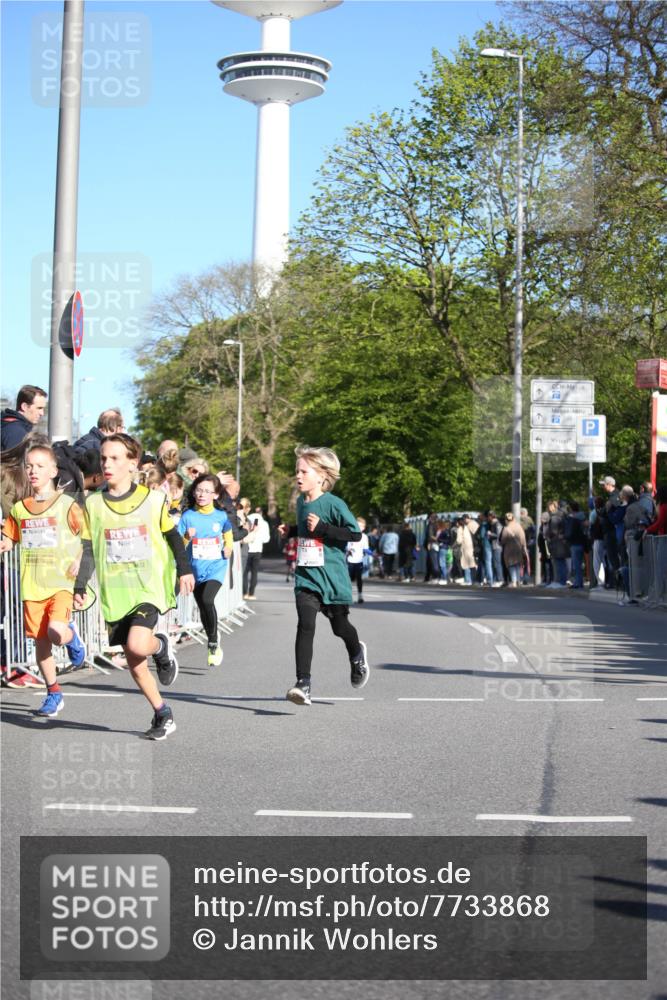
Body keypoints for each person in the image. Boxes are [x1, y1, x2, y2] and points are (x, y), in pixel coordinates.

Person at [74, 433, 195, 740]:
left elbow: (171, 536)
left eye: (115, 458)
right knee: (135, 663)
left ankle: (161, 646)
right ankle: (162, 713)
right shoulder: (94, 503)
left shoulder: (153, 499)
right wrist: (79, 586)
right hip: (117, 592)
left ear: (133, 463)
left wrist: (184, 570)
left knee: (138, 644)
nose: (107, 464)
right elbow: (88, 547)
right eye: (104, 458)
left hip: (148, 586)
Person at [278, 445, 370, 706]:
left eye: (303, 471)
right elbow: (308, 531)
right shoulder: (300, 502)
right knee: (305, 625)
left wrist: (324, 528)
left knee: (340, 628)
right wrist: (292, 530)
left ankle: (356, 653)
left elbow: (355, 534)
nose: (298, 476)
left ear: (320, 476)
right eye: (297, 471)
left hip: (332, 577)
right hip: (307, 577)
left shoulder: (333, 504)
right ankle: (303, 683)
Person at [0, 444, 87, 716]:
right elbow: (8, 540)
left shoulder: (68, 504)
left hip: (60, 582)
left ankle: (73, 639)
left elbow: (88, 538)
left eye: (39, 466)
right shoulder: (20, 509)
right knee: (42, 644)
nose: (33, 470)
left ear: (52, 471)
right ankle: (53, 693)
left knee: (56, 632)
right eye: (29, 466)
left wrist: (78, 562)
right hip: (32, 585)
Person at [177, 474, 233, 666]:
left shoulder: (221, 516)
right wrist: (186, 536)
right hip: (195, 569)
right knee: (202, 604)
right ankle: (212, 633)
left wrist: (229, 547)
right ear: (193, 492)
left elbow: (228, 533)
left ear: (215, 495)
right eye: (199, 490)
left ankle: (213, 643)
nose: (202, 494)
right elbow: (179, 545)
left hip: (216, 566)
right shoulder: (188, 516)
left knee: (208, 599)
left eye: (207, 491)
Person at [1, 385, 48, 452]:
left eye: (43, 408)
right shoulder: (15, 432)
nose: (42, 413)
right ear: (24, 407)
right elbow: (16, 461)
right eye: (39, 408)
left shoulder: (12, 427)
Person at [243, 506, 271, 600]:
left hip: (247, 549)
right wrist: (259, 538)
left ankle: (244, 593)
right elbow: (266, 539)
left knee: (245, 572)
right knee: (254, 572)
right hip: (258, 550)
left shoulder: (248, 519)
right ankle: (251, 594)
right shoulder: (264, 523)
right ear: (262, 513)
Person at [500, 512, 528, 587]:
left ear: (506, 520)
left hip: (509, 550)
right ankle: (519, 580)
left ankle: (514, 581)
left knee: (511, 565)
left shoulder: (506, 529)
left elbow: (503, 540)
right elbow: (523, 538)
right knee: (518, 565)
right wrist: (524, 547)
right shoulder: (519, 527)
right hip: (518, 549)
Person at [346, 516, 369, 603]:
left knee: (359, 578)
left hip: (359, 560)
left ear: (364, 527)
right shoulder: (350, 534)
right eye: (358, 525)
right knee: (349, 579)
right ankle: (348, 595)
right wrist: (348, 550)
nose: (359, 527)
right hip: (350, 560)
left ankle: (360, 596)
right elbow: (346, 546)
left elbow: (366, 549)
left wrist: (372, 554)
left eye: (361, 526)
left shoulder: (364, 537)